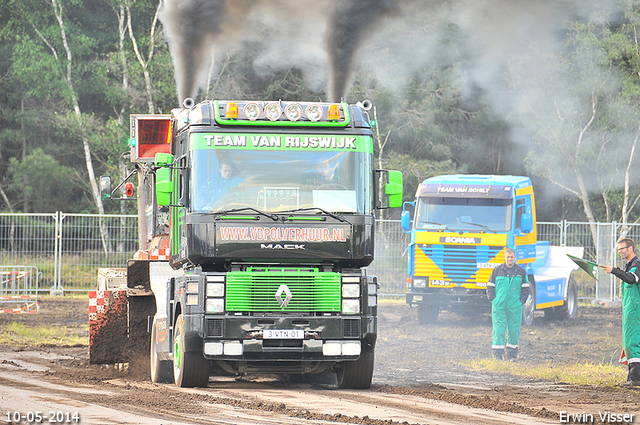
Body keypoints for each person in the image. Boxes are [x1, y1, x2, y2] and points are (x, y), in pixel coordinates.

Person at [600, 238, 640, 387]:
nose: (619, 251)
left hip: (635, 311)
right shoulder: (630, 265)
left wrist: (614, 271)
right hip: (631, 310)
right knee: (629, 342)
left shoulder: (637, 265)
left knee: (632, 343)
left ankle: (635, 379)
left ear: (630, 249)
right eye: (618, 249)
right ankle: (633, 377)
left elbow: (631, 279)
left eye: (622, 248)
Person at [486, 247, 530, 360]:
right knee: (498, 330)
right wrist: (493, 300)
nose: (509, 259)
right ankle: (497, 356)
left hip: (515, 306)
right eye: (507, 257)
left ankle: (512, 356)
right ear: (504, 257)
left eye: (511, 257)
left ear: (515, 258)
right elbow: (490, 286)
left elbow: (525, 289)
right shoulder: (497, 270)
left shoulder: (521, 271)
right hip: (499, 306)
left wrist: (520, 302)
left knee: (514, 330)